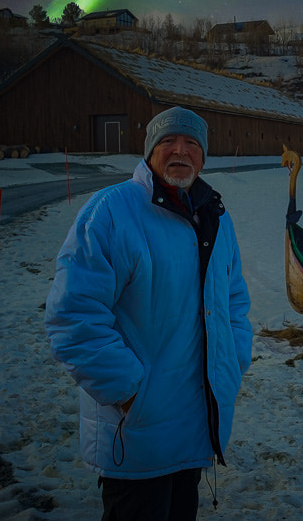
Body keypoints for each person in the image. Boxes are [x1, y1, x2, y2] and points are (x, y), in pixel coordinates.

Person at [45, 106, 253, 520]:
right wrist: (128, 392)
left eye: (192, 142)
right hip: (139, 431)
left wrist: (230, 366)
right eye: (168, 141)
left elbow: (234, 304)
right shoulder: (111, 212)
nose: (181, 150)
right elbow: (74, 315)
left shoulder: (214, 218)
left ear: (204, 155)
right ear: (149, 151)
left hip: (196, 424)